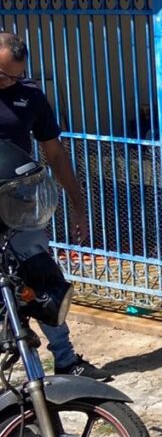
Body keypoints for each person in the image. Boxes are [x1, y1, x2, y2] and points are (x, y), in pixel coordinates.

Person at [0, 31, 108, 379]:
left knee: (44, 280)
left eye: (14, 77)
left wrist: (78, 204)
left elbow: (55, 154)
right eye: (2, 75)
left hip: (17, 207)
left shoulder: (30, 96)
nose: (8, 83)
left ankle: (66, 360)